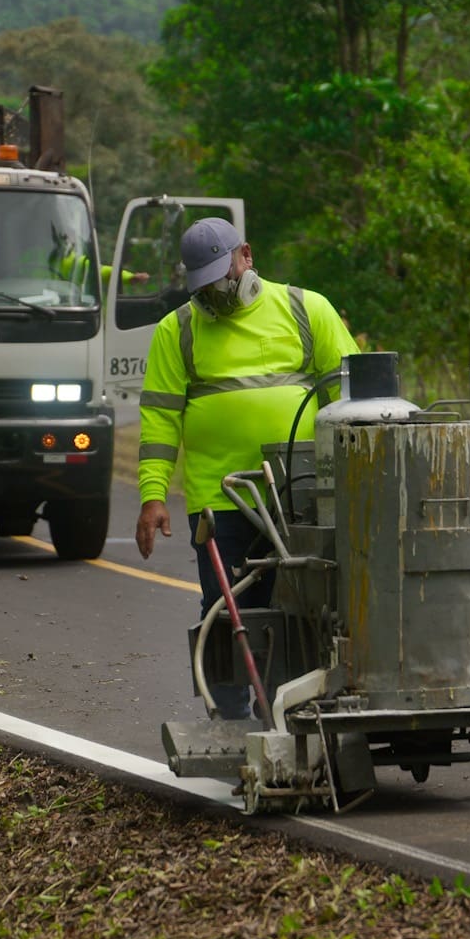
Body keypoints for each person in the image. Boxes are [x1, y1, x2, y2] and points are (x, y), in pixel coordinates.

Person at [134, 217, 357, 718]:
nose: (215, 291)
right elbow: (161, 420)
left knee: (310, 609)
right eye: (203, 284)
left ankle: (296, 711)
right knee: (226, 610)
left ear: (246, 256)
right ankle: (230, 721)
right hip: (221, 500)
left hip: (301, 494)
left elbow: (352, 399)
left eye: (221, 276)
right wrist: (152, 495)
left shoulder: (305, 309)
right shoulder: (180, 329)